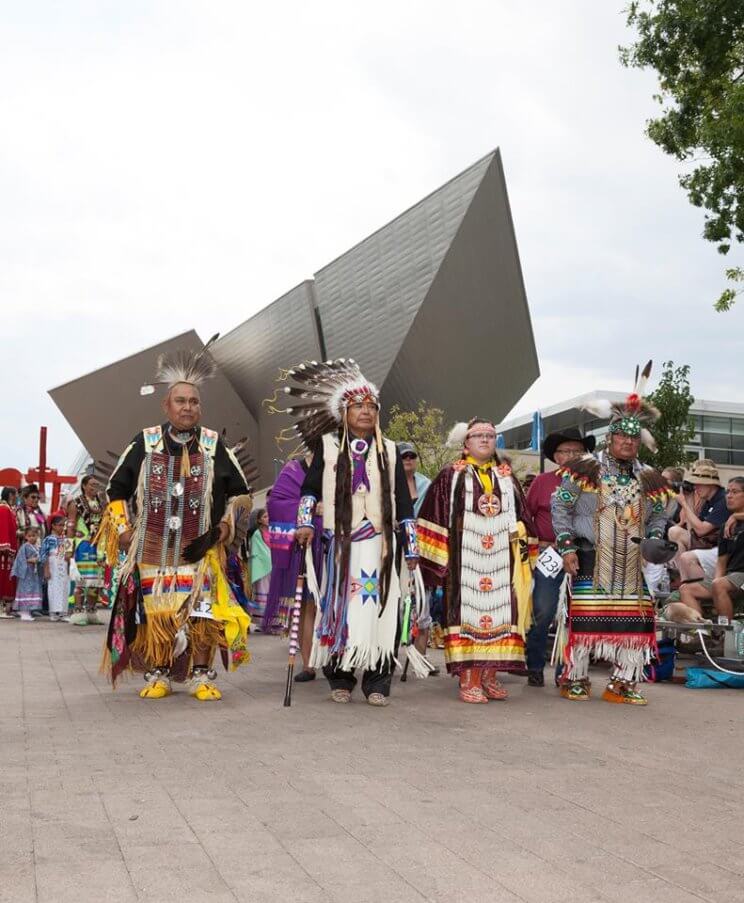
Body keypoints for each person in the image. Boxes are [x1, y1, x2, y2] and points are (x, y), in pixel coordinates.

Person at [95, 343, 252, 700]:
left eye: (194, 402)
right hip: (154, 549)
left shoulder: (214, 445)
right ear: (167, 405)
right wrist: (123, 531)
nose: (187, 407)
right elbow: (115, 490)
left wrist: (226, 528)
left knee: (202, 613)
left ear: (200, 408)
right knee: (158, 614)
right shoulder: (145, 443)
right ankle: (158, 673)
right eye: (181, 401)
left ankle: (201, 674)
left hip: (202, 549)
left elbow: (241, 494)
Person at [273, 358, 418, 707]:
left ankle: (377, 681)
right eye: (358, 406)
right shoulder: (326, 446)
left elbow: (403, 498)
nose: (366, 412)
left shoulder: (391, 450)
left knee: (382, 608)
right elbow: (309, 489)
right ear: (344, 411)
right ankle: (340, 677)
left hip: (382, 543)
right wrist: (305, 522)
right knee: (340, 608)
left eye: (372, 406)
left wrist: (410, 543)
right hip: (342, 544)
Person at [552, 362, 673, 705]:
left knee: (635, 623)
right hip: (591, 555)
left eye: (633, 438)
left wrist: (655, 535)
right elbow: (560, 507)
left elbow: (660, 513)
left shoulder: (649, 477)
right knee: (585, 618)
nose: (628, 442)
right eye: (622, 436)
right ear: (610, 438)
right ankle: (575, 677)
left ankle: (622, 682)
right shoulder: (584, 469)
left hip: (633, 561)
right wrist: (566, 547)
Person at [417, 419, 536, 704]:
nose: (485, 440)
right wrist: (438, 562)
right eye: (478, 435)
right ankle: (468, 677)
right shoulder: (451, 475)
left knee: (502, 615)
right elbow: (432, 514)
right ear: (465, 443)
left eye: (491, 436)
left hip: (501, 561)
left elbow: (524, 516)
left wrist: (522, 538)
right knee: (467, 615)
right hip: (465, 562)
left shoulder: (507, 478)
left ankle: (490, 675)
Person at [524, 429, 596, 687]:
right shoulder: (543, 482)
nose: (573, 455)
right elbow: (526, 516)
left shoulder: (594, 484)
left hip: (584, 554)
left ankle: (567, 671)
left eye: (578, 451)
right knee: (543, 609)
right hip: (549, 553)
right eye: (567, 451)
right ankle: (534, 664)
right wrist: (537, 544)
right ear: (556, 456)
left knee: (578, 613)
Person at [265, 454, 325, 682]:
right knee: (307, 605)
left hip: (336, 544)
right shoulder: (293, 470)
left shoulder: (344, 465)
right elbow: (277, 503)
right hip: (305, 545)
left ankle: (337, 662)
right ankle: (309, 663)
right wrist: (309, 509)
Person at [679, 477, 744, 620]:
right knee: (686, 590)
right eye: (728, 491)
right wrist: (715, 585)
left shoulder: (733, 521)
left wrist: (737, 516)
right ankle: (701, 632)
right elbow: (721, 562)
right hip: (731, 577)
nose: (729, 495)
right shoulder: (726, 527)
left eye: (735, 492)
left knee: (719, 585)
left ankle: (726, 633)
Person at [398, 441, 436, 663]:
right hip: (394, 549)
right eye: (404, 457)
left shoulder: (426, 484)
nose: (409, 460)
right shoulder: (389, 484)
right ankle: (387, 660)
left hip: (420, 550)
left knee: (422, 605)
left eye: (412, 456)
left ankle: (421, 660)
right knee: (396, 605)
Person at [669, 460, 727, 586]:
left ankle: (701, 588)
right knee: (675, 532)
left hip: (722, 550)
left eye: (699, 484)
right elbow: (693, 531)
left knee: (686, 556)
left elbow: (702, 530)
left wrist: (683, 503)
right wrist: (688, 499)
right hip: (707, 544)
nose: (695, 488)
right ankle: (685, 582)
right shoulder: (708, 500)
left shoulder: (723, 500)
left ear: (711, 484)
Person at [66, 475, 106, 626]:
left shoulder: (101, 504)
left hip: (98, 547)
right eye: (91, 484)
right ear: (83, 486)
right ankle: (77, 613)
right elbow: (69, 527)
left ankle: (91, 612)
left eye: (96, 484)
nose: (94, 487)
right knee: (81, 581)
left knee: (95, 581)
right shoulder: (76, 503)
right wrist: (67, 551)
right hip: (82, 545)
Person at [40, 515, 71, 622]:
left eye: (64, 525)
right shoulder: (48, 539)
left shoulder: (66, 539)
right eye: (60, 525)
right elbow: (44, 555)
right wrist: (46, 569)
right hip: (53, 565)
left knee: (65, 588)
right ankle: (53, 612)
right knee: (53, 588)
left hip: (64, 565)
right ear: (53, 526)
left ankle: (63, 612)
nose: (62, 527)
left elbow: (69, 554)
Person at [248, 509, 272, 631]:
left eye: (268, 516)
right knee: (263, 592)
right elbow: (258, 550)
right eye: (265, 517)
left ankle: (272, 620)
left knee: (272, 593)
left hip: (273, 565)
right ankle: (262, 621)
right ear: (259, 520)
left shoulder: (273, 531)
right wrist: (269, 558)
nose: (268, 518)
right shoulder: (257, 534)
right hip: (262, 567)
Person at [11, 526, 42, 621]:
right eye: (29, 536)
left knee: (33, 590)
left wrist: (38, 560)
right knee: (26, 591)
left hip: (34, 573)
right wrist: (30, 560)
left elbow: (40, 557)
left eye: (34, 535)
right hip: (26, 573)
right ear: (26, 537)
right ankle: (24, 612)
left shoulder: (37, 546)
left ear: (37, 536)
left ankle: (30, 609)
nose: (32, 537)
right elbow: (20, 559)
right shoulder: (24, 547)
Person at [0, 487, 18, 618]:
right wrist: (4, 544)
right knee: (3, 576)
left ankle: (5, 608)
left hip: (9, 551)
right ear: (11, 495)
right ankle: (1, 608)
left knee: (7, 576)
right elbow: (3, 527)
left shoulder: (8, 509)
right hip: (4, 551)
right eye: (15, 495)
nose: (16, 498)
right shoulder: (3, 509)